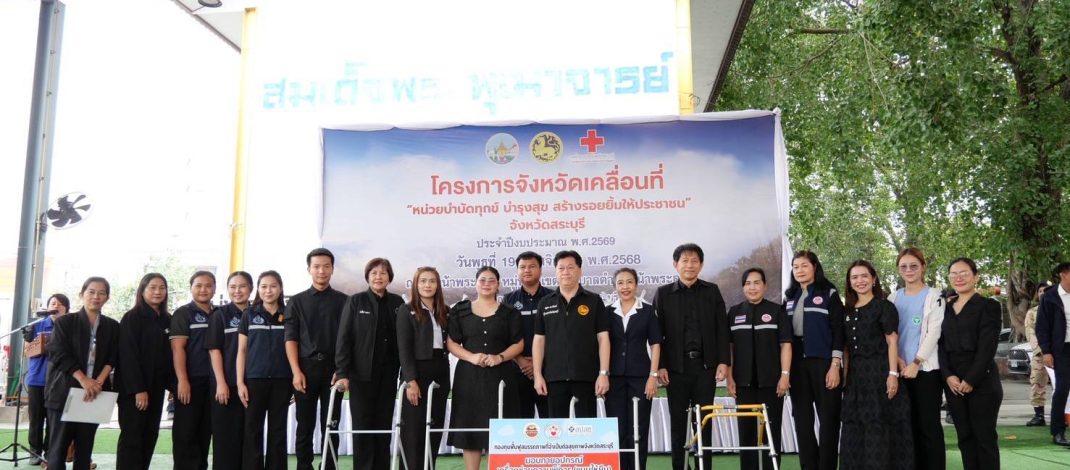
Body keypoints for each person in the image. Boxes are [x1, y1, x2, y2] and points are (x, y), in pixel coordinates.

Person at [653, 243, 729, 470]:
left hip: (705, 368)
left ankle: (704, 467)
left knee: (704, 422)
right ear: (675, 264)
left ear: (701, 264)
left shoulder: (711, 291)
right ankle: (680, 466)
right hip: (675, 369)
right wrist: (661, 366)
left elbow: (722, 329)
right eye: (684, 260)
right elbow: (658, 334)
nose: (689, 265)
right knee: (678, 423)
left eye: (694, 260)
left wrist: (723, 361)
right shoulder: (663, 293)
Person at [838, 260, 913, 469]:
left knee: (878, 426)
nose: (859, 281)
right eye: (854, 277)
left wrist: (892, 374)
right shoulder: (847, 311)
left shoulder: (884, 306)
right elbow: (846, 348)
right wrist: (845, 377)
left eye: (864, 276)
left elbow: (892, 341)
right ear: (849, 282)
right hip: (855, 378)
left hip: (879, 373)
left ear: (873, 279)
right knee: (855, 428)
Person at [447, 266, 523, 470]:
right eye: (482, 280)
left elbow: (519, 343)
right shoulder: (460, 310)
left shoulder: (510, 312)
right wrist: (471, 357)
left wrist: (500, 357)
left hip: (501, 377)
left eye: (491, 280)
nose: (487, 284)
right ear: (475, 283)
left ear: (498, 284)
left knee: (499, 427)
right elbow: (451, 342)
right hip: (468, 378)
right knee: (469, 429)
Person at [336, 258, 406, 470]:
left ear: (389, 277)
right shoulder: (356, 301)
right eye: (374, 273)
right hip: (360, 375)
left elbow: (404, 339)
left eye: (383, 273)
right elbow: (344, 338)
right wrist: (342, 372)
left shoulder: (397, 303)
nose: (378, 277)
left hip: (388, 375)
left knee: (384, 425)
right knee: (363, 426)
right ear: (367, 276)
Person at [44, 277, 119, 470]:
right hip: (64, 393)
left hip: (95, 394)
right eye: (91, 292)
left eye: (101, 293)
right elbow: (58, 354)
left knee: (85, 452)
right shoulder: (65, 323)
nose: (96, 296)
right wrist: (84, 379)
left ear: (107, 298)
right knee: (58, 450)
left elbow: (113, 356)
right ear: (82, 294)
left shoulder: (112, 326)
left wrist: (98, 382)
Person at [285, 248, 348, 470]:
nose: (321, 271)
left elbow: (348, 340)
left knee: (331, 422)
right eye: (316, 266)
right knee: (305, 423)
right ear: (309, 269)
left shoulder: (344, 301)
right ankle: (304, 465)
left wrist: (342, 370)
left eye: (326, 266)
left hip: (333, 371)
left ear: (332, 269)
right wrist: (296, 371)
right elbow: (290, 339)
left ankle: (329, 465)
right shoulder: (296, 302)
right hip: (305, 369)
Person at [939, 257, 1002, 469]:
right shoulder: (944, 309)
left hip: (982, 381)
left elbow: (987, 347)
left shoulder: (989, 306)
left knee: (984, 439)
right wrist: (948, 375)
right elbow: (940, 345)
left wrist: (970, 379)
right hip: (953, 384)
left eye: (964, 273)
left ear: (975, 277)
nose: (959, 278)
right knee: (965, 439)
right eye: (953, 274)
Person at [783, 250, 844, 470]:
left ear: (815, 267)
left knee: (828, 421)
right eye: (796, 266)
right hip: (797, 365)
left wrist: (835, 365)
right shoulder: (789, 296)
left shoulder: (829, 293)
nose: (799, 270)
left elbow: (839, 331)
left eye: (804, 266)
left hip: (825, 363)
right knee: (802, 422)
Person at [533, 250, 610, 418]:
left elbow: (603, 338)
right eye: (561, 268)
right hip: (554, 379)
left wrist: (603, 373)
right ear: (555, 272)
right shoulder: (545, 303)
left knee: (587, 431)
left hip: (586, 377)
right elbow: (539, 340)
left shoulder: (594, 300)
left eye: (570, 267)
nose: (565, 272)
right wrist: (538, 375)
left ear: (579, 271)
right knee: (556, 433)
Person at [725, 268, 790, 470]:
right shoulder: (734, 312)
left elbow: (786, 345)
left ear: (765, 285)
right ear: (743, 287)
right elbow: (729, 348)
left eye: (756, 283)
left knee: (771, 431)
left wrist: (784, 376)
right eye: (748, 283)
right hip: (742, 384)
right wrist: (729, 377)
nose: (752, 287)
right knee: (746, 433)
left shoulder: (777, 311)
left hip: (771, 383)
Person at [888, 247, 946, 469]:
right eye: (903, 266)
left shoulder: (935, 296)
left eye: (913, 266)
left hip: (925, 371)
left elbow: (935, 332)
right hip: (900, 371)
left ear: (923, 267)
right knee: (906, 426)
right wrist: (899, 361)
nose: (909, 270)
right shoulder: (894, 297)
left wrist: (916, 362)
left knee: (928, 426)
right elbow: (890, 333)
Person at [395, 267, 451, 470]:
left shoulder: (444, 311)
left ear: (438, 285)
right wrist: (411, 381)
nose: (428, 285)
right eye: (423, 281)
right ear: (416, 285)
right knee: (414, 430)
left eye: (432, 281)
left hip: (441, 371)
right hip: (417, 373)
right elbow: (404, 349)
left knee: (434, 427)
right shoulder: (406, 310)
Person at [605, 268, 661, 470]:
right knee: (618, 429)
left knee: (639, 428)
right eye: (620, 283)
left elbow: (655, 344)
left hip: (641, 377)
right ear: (615, 286)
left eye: (629, 282)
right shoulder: (607, 312)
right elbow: (603, 344)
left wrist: (653, 376)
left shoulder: (647, 311)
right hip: (615, 378)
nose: (625, 287)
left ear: (636, 285)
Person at [116, 273, 173, 470]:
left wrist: (174, 386)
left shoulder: (167, 319)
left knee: (150, 435)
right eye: (152, 287)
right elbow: (127, 356)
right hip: (134, 391)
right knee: (132, 437)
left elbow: (169, 357)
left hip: (157, 389)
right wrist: (138, 390)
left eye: (162, 288)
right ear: (142, 291)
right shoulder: (132, 317)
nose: (158, 292)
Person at [237, 271, 292, 470]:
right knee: (252, 430)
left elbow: (295, 347)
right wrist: (240, 382)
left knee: (278, 430)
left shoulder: (290, 313)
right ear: (258, 290)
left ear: (280, 288)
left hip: (282, 380)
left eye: (273, 286)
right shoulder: (249, 314)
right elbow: (241, 351)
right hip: (254, 380)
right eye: (264, 286)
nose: (268, 291)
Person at [170, 271, 218, 470]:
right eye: (198, 285)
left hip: (214, 382)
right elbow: (178, 348)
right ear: (191, 288)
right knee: (186, 433)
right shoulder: (183, 313)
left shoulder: (219, 313)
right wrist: (182, 380)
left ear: (215, 288)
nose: (203, 289)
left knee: (205, 432)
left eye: (208, 285)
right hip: (191, 381)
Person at [206, 271, 253, 469]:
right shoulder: (220, 315)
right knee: (226, 438)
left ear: (251, 288)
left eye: (242, 286)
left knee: (249, 437)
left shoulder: (258, 313)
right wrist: (221, 383)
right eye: (233, 287)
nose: (237, 291)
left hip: (251, 385)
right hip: (227, 385)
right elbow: (214, 350)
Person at [503, 251, 552, 419]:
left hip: (548, 370)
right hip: (519, 370)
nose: (527, 270)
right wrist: (521, 361)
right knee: (521, 423)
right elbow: (505, 335)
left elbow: (558, 335)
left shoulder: (553, 297)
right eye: (522, 267)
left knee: (551, 423)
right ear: (517, 271)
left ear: (540, 270)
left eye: (532, 266)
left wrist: (539, 363)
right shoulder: (508, 300)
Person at [24, 293, 70, 465]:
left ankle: (51, 452)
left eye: (60, 304)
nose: (55, 306)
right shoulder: (38, 325)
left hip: (60, 380)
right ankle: (34, 452)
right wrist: (40, 344)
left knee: (54, 420)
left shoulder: (69, 326)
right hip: (37, 379)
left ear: (66, 308)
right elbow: (26, 351)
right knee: (36, 419)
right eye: (52, 303)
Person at [1037, 262, 1070, 446]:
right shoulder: (1050, 297)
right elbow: (1042, 327)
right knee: (1062, 389)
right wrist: (1047, 351)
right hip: (1062, 349)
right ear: (1063, 275)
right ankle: (1058, 432)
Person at [1023, 281, 1052, 426]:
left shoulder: (1060, 309)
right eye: (1040, 291)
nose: (1043, 293)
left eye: (1046, 290)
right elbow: (1030, 333)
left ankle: (1063, 415)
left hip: (1061, 354)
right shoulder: (1032, 312)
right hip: (1041, 355)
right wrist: (1042, 352)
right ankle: (1039, 415)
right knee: (1037, 382)